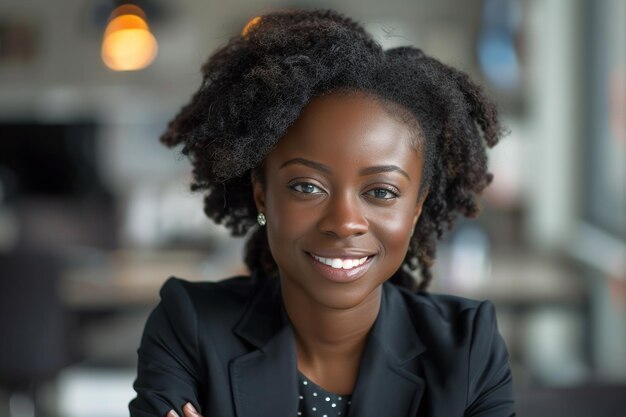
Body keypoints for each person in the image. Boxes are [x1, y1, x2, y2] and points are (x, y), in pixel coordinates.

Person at [129, 8, 515, 417]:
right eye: (307, 186)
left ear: (416, 209)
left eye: (381, 191)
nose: (344, 222)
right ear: (262, 196)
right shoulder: (188, 327)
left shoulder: (470, 348)